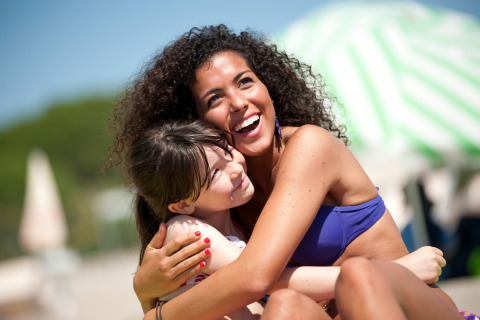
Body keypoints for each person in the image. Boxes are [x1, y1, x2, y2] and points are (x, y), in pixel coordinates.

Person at [110, 24, 458, 319]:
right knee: (284, 308)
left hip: (408, 305)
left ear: (267, 86)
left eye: (245, 81)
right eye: (215, 98)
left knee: (357, 277)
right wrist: (145, 293)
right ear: (197, 125)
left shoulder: (309, 147)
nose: (238, 101)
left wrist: (155, 317)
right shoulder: (224, 203)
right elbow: (216, 291)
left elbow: (254, 278)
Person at [127, 119, 447, 319]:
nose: (236, 167)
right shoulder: (191, 232)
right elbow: (259, 278)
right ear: (182, 204)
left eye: (227, 152)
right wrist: (399, 271)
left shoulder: (230, 218)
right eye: (216, 173)